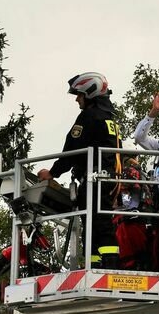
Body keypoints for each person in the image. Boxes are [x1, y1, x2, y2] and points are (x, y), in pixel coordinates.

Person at [37, 72, 121, 269]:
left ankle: (108, 268)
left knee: (99, 225)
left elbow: (73, 149)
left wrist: (53, 173)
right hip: (106, 179)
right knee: (93, 226)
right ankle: (96, 266)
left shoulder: (90, 116)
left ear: (89, 94)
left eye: (79, 95)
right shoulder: (108, 118)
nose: (76, 99)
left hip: (95, 179)